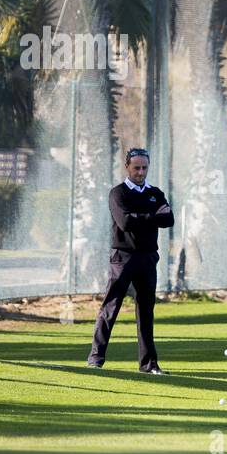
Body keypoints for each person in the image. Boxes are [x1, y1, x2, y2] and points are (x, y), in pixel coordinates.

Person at [87, 148, 174, 373]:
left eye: (144, 167)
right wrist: (152, 216)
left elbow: (168, 219)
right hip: (122, 258)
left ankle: (148, 364)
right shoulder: (118, 194)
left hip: (147, 258)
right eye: (137, 167)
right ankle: (95, 359)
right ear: (127, 167)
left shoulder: (155, 193)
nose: (141, 172)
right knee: (111, 307)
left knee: (146, 310)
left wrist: (141, 216)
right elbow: (125, 223)